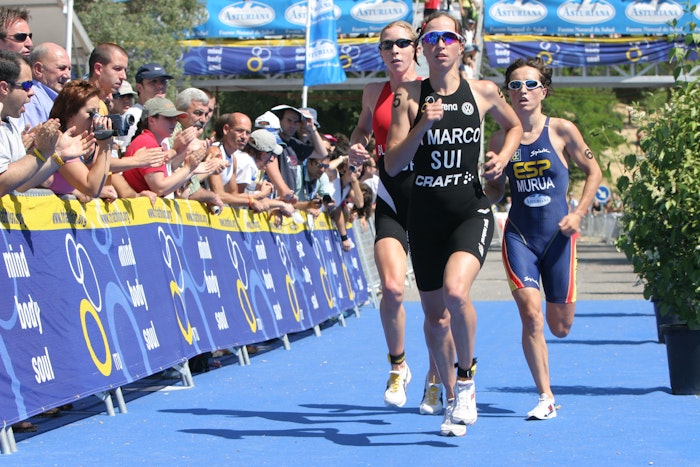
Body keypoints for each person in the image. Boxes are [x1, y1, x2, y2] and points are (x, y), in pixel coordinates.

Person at [384, 12, 523, 437]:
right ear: (422, 49)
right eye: (431, 39)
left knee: (457, 292)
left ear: (461, 45)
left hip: (469, 209)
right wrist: (423, 125)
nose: (440, 45)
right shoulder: (408, 95)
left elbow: (514, 125)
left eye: (448, 37)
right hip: (424, 216)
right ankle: (450, 398)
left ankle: (465, 381)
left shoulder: (483, 92)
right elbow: (393, 164)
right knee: (435, 319)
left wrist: (503, 158)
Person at [484, 57, 602, 421]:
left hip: (559, 237)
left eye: (530, 84)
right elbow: (494, 193)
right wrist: (489, 180)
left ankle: (547, 384)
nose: (522, 91)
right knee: (531, 316)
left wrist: (578, 213)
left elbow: (594, 171)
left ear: (544, 92)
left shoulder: (562, 130)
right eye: (515, 85)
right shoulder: (500, 139)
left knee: (560, 327)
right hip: (519, 236)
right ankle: (545, 396)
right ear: (506, 93)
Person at [348, 20, 446, 415]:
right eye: (387, 44)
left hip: (431, 202)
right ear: (381, 52)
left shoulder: (432, 90)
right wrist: (357, 146)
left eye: (403, 43)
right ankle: (398, 366)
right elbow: (361, 129)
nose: (395, 50)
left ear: (416, 49)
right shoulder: (373, 91)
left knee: (436, 306)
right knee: (391, 288)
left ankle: (435, 378)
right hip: (391, 198)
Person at [122, 97, 208, 198]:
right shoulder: (147, 143)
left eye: (175, 118)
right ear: (151, 121)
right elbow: (160, 188)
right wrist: (188, 168)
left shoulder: (151, 141)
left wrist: (189, 168)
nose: (174, 122)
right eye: (168, 118)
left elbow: (166, 186)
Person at [45, 80, 115, 202]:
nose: (96, 119)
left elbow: (94, 184)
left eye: (98, 112)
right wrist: (105, 146)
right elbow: (92, 188)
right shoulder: (57, 140)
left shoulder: (79, 142)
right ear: (69, 116)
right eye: (91, 113)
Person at [20, 42, 72, 129]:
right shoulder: (33, 99)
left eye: (69, 69)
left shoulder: (52, 99)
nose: (68, 75)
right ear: (38, 69)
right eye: (62, 68)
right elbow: (33, 135)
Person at [87, 43, 128, 115]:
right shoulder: (82, 104)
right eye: (117, 69)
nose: (124, 76)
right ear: (98, 69)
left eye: (125, 70)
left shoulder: (103, 105)